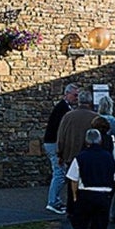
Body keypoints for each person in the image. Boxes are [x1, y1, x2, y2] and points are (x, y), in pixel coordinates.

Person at [64, 126, 115, 229]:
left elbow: (73, 179)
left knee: (79, 225)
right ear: (100, 141)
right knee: (99, 228)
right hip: (104, 195)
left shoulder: (80, 157)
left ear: (86, 142)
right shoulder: (108, 157)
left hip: (85, 194)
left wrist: (75, 195)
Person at [41, 84, 79, 214]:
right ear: (67, 94)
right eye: (75, 95)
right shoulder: (63, 109)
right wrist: (61, 149)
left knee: (59, 173)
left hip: (51, 142)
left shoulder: (63, 107)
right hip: (53, 143)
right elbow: (61, 131)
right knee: (59, 173)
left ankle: (55, 201)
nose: (76, 98)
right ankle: (52, 202)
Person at [55, 92, 105, 183]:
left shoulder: (68, 116)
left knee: (72, 182)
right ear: (90, 102)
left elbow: (61, 137)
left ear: (79, 101)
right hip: (91, 156)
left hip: (71, 155)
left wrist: (60, 154)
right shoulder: (96, 117)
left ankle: (73, 197)